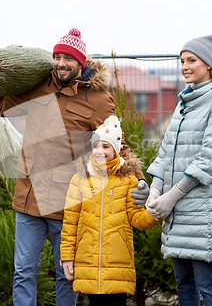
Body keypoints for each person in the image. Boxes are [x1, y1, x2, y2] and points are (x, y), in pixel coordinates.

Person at [0, 28, 149, 306]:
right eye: (57, 56)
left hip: (68, 201)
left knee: (66, 274)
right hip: (29, 197)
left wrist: (139, 180)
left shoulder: (97, 98)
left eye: (68, 58)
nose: (61, 63)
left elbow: (118, 143)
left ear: (80, 63)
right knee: (24, 271)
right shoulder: (38, 85)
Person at [145, 35, 212, 306]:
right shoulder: (183, 104)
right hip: (177, 214)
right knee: (183, 285)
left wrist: (171, 196)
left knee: (209, 288)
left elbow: (209, 160)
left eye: (191, 60)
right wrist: (155, 190)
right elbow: (165, 152)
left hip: (202, 214)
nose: (185, 66)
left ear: (208, 65)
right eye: (182, 61)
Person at [60, 115, 161, 306]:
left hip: (118, 265)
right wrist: (66, 256)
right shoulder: (80, 178)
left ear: (116, 150)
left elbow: (137, 218)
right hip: (88, 264)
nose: (99, 151)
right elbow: (70, 222)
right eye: (96, 145)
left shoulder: (129, 179)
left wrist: (157, 212)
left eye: (105, 147)